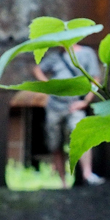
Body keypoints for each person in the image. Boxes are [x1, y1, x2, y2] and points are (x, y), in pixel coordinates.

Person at [34, 41, 103, 187]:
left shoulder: (86, 53)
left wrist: (85, 101)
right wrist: (47, 85)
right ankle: (63, 182)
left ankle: (87, 174)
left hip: (75, 104)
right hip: (55, 104)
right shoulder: (55, 56)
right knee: (55, 142)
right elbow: (37, 69)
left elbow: (95, 79)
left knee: (81, 135)